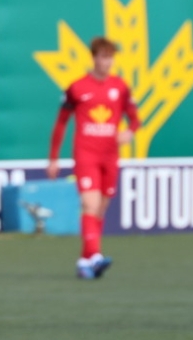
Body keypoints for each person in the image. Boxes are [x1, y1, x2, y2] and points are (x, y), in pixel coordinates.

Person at [47, 37, 140, 280]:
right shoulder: (77, 87)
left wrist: (130, 132)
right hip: (86, 154)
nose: (106, 62)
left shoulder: (120, 87)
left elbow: (135, 117)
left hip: (110, 156)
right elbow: (61, 123)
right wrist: (53, 158)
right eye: (102, 56)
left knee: (100, 209)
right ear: (94, 58)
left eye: (110, 57)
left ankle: (85, 262)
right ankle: (96, 255)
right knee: (89, 204)